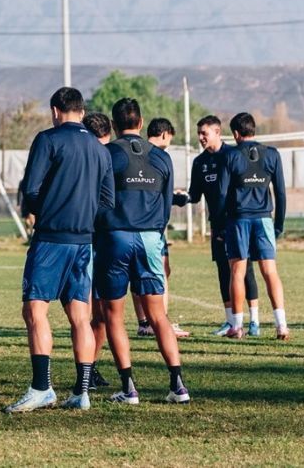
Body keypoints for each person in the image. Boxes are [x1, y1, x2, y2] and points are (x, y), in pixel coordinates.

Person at [5, 87, 113, 413]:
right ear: (82, 111)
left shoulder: (48, 140)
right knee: (81, 317)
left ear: (55, 110)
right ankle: (82, 393)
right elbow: (108, 202)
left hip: (52, 238)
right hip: (84, 241)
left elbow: (32, 188)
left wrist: (46, 209)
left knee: (35, 310)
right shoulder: (100, 149)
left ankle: (42, 387)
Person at [95, 99, 190, 405]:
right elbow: (165, 208)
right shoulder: (162, 158)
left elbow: (99, 200)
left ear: (114, 122)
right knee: (157, 314)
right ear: (141, 121)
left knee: (114, 314)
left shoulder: (107, 154)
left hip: (116, 237)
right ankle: (178, 386)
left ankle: (129, 388)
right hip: (151, 238)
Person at [173, 116, 264, 336]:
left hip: (237, 222)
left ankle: (254, 321)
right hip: (217, 225)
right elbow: (194, 195)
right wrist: (178, 197)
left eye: (205, 133)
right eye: (199, 134)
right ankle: (230, 320)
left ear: (217, 132)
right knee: (224, 270)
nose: (201, 138)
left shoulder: (233, 155)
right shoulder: (199, 162)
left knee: (245, 270)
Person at [218, 113, 290, 340]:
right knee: (270, 271)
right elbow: (280, 192)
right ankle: (281, 325)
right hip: (264, 219)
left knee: (237, 272)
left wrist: (220, 225)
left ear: (236, 134)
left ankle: (237, 327)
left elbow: (221, 193)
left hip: (238, 220)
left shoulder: (230, 155)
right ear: (253, 130)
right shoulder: (272, 154)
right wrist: (278, 224)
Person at [144, 118, 190, 339]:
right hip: (152, 228)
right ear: (164, 134)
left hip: (127, 227)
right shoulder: (160, 157)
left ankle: (145, 323)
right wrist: (179, 199)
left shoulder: (134, 152)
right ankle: (161, 322)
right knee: (160, 272)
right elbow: (162, 194)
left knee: (142, 275)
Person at [81, 111, 113, 391]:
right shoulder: (92, 158)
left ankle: (89, 369)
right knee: (88, 311)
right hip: (89, 242)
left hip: (102, 241)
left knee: (99, 313)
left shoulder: (108, 156)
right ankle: (86, 370)